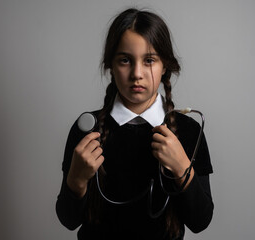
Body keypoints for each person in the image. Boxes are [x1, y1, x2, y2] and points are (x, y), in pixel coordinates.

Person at [56, 8, 213, 240]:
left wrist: (182, 167)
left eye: (149, 60)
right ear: (111, 64)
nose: (136, 73)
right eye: (125, 60)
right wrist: (76, 180)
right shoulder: (87, 131)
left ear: (165, 66)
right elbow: (68, 220)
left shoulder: (188, 131)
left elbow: (200, 221)